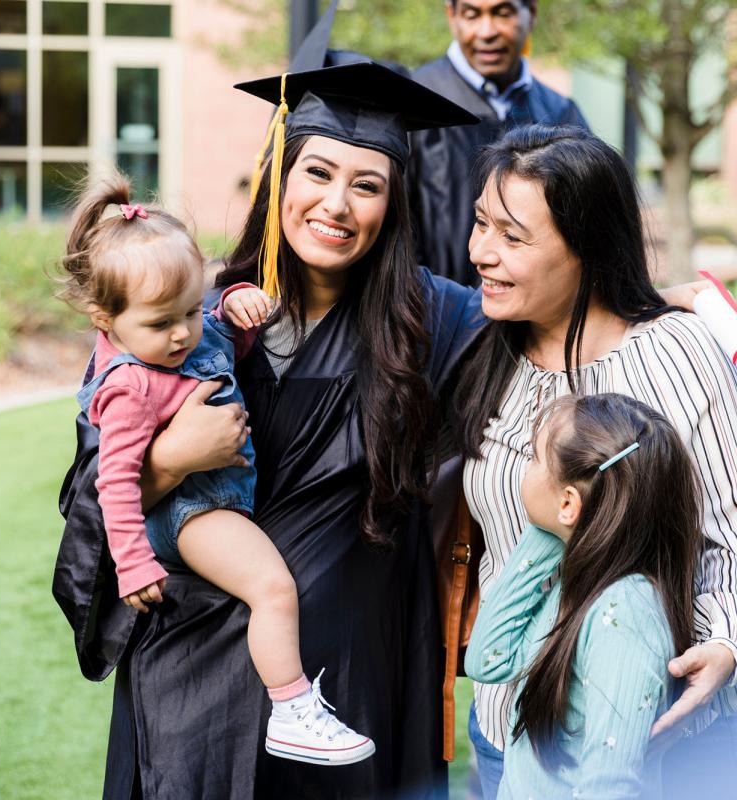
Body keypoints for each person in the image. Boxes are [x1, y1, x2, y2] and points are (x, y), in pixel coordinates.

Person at [53, 61, 485, 798]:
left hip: (347, 678)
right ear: (280, 176)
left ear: (393, 205)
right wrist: (170, 459)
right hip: (193, 683)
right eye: (317, 172)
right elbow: (90, 504)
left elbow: (562, 350)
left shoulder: (435, 322)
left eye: (367, 185)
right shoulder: (190, 314)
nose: (336, 204)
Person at [453, 123, 737, 799]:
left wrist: (725, 640)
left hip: (653, 736)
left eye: (512, 236)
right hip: (510, 735)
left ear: (587, 246)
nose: (482, 252)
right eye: (481, 224)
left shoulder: (675, 353)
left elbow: (729, 529)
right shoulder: (484, 355)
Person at [56, 175, 376, 766]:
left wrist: (232, 306)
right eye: (161, 323)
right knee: (273, 588)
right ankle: (293, 710)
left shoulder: (181, 334)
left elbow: (222, 337)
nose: (182, 333)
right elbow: (114, 485)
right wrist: (133, 563)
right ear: (106, 319)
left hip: (211, 503)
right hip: (190, 512)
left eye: (189, 311)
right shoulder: (128, 387)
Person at [466, 392, 701, 798]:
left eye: (534, 458)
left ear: (569, 502)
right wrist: (552, 531)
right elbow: (488, 659)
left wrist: (561, 520)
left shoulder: (624, 617)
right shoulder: (580, 581)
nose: (525, 466)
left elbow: (610, 787)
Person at [408, 0, 587, 286]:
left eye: (503, 13)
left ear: (531, 14)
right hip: (433, 307)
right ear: (452, 16)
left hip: (534, 310)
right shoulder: (413, 103)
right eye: (471, 15)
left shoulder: (560, 114)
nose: (487, 31)